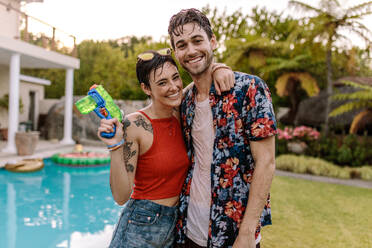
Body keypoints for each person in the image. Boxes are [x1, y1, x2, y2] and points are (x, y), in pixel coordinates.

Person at [97, 48, 235, 248]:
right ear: (146, 88)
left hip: (176, 223)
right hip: (140, 224)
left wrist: (218, 68)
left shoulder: (181, 111)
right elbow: (120, 196)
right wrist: (115, 147)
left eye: (175, 78)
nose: (173, 87)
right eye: (162, 82)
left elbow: (197, 80)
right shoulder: (135, 124)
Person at [168, 8, 277, 248]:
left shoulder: (250, 89)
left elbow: (266, 162)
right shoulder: (184, 102)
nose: (191, 50)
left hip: (234, 233)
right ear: (176, 53)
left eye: (197, 41)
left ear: (213, 41)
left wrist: (247, 232)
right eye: (182, 45)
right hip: (188, 231)